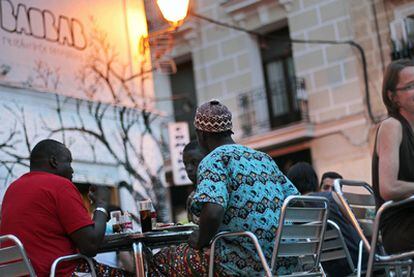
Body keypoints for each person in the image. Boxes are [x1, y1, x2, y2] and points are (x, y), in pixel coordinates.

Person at [149, 100, 300, 276]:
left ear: (201, 134)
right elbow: (297, 203)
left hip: (245, 264)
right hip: (285, 262)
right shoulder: (263, 158)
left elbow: (213, 212)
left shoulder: (214, 160)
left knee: (161, 261)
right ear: (229, 130)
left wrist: (200, 239)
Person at [0, 139, 128, 276]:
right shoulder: (59, 185)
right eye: (69, 162)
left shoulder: (13, 189)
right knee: (140, 272)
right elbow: (90, 245)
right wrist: (102, 204)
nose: (72, 169)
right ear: (54, 161)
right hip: (58, 272)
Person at [287, 162, 365, 276]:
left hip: (327, 270)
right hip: (358, 262)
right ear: (315, 181)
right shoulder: (330, 197)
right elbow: (357, 226)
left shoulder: (291, 213)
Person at [372, 59, 414, 254]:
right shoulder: (392, 126)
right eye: (410, 86)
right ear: (393, 96)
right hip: (402, 228)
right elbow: (388, 188)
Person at [183, 140, 207, 224]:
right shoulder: (191, 198)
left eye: (194, 162)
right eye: (185, 164)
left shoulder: (216, 191)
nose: (188, 168)